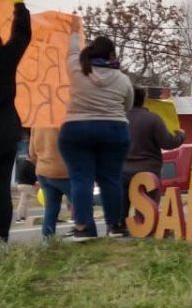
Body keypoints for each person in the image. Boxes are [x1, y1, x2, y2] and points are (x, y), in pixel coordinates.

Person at [58, 27, 135, 241]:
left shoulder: (77, 69)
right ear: (112, 55)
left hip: (76, 129)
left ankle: (83, 228)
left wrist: (73, 31)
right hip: (114, 130)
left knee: (81, 179)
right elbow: (127, 105)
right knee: (111, 179)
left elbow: (72, 52)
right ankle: (115, 226)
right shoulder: (122, 79)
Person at [122, 88, 185, 219]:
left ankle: (118, 228)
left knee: (121, 207)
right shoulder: (153, 119)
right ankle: (143, 229)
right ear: (144, 100)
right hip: (148, 170)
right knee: (146, 212)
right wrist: (180, 135)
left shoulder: (119, 119)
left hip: (122, 170)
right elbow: (168, 143)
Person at [0, 0, 31, 242]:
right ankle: (1, 240)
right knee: (1, 190)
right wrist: (18, 2)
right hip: (5, 133)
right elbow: (22, 34)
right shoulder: (6, 57)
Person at [28, 126, 68, 238]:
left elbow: (32, 152)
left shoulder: (37, 123)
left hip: (43, 170)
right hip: (63, 170)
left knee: (50, 208)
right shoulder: (62, 119)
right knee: (81, 203)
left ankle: (48, 239)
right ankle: (86, 231)